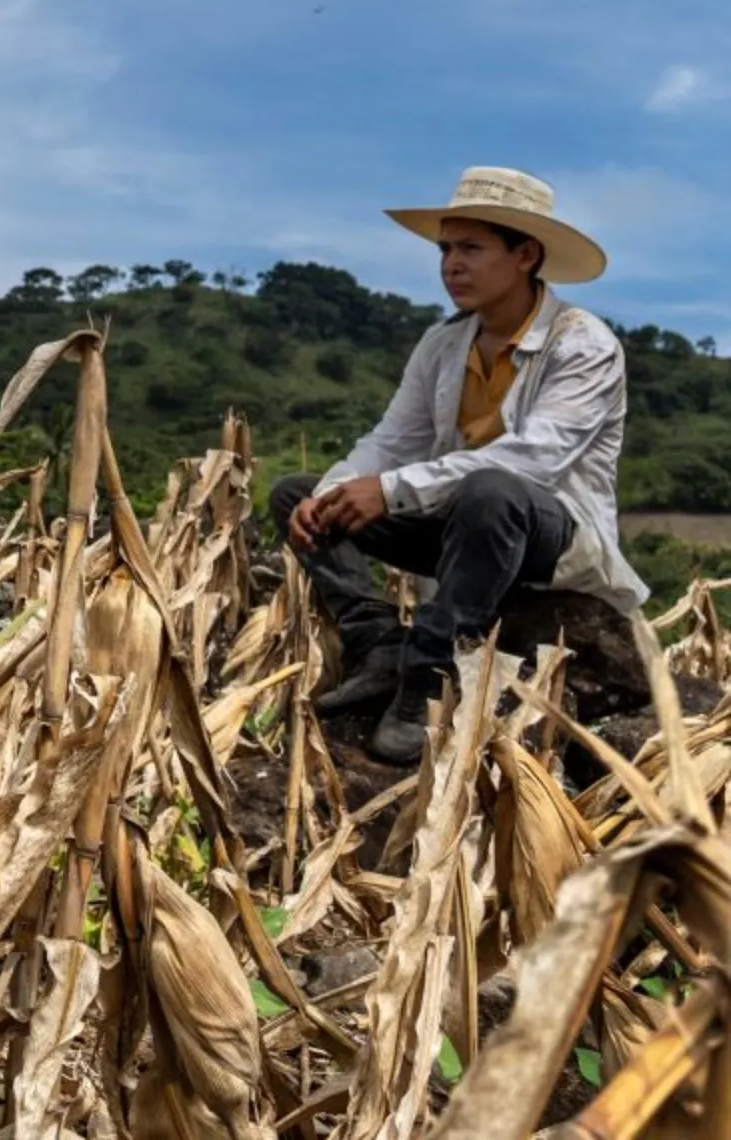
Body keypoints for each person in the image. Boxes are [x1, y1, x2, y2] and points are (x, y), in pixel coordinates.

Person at [272, 167, 647, 765]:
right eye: (446, 249)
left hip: (544, 534)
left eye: (471, 248)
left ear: (525, 254)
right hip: (460, 525)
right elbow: (394, 438)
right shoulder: (443, 344)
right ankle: (378, 641)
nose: (451, 264)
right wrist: (338, 490)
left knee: (493, 489)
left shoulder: (584, 344)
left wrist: (390, 490)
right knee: (298, 495)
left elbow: (538, 458)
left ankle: (430, 671)